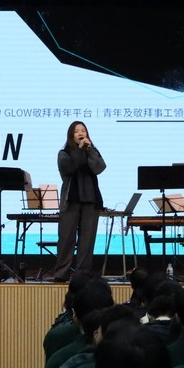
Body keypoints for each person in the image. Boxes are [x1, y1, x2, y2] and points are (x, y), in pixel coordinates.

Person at [51, 121, 106, 282]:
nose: (81, 133)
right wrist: (79, 150)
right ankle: (61, 274)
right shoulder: (64, 153)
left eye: (83, 130)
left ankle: (82, 275)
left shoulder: (91, 151)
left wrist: (90, 150)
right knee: (66, 239)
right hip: (71, 200)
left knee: (87, 241)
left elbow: (100, 168)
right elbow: (68, 168)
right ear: (71, 135)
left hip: (90, 200)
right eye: (76, 131)